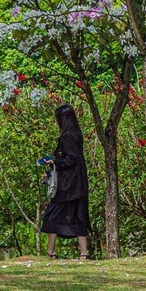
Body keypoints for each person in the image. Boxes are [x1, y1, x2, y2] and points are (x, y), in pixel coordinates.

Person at [41, 103, 91, 260]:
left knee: (52, 215)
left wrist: (53, 162)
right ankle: (84, 254)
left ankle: (51, 252)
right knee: (78, 216)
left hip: (68, 186)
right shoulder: (77, 135)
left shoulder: (66, 136)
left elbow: (71, 159)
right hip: (79, 184)